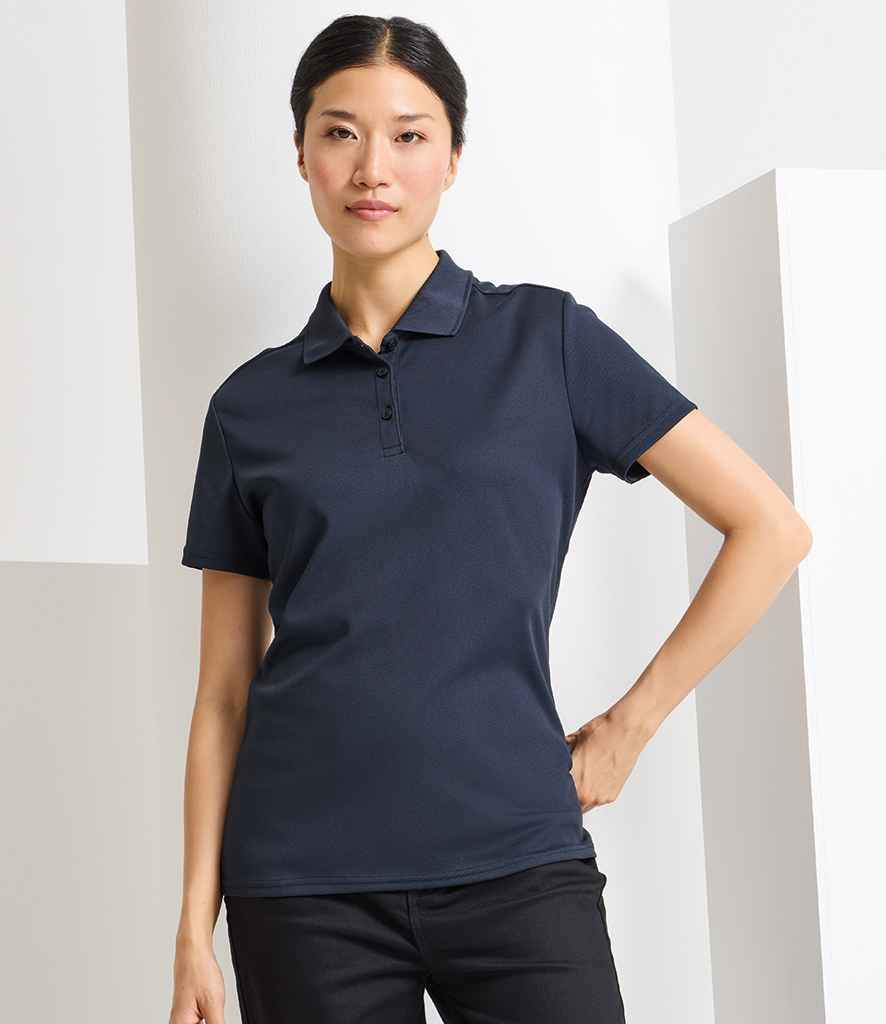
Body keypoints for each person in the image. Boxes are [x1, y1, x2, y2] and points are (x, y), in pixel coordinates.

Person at [169, 14, 812, 1024]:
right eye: (340, 133)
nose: (372, 168)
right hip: (302, 885)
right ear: (299, 153)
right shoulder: (248, 407)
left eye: (408, 135)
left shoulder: (546, 341)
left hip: (519, 859)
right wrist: (191, 929)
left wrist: (629, 726)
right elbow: (222, 695)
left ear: (454, 157)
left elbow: (769, 527)